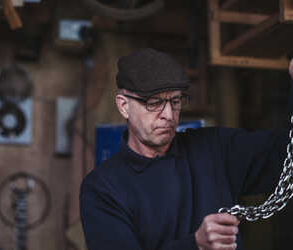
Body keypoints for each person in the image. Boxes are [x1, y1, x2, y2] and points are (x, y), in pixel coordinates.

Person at [80, 48, 290, 250]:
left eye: (176, 101)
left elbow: (284, 155)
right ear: (124, 106)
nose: (169, 115)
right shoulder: (102, 188)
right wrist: (195, 245)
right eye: (154, 103)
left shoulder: (215, 149)